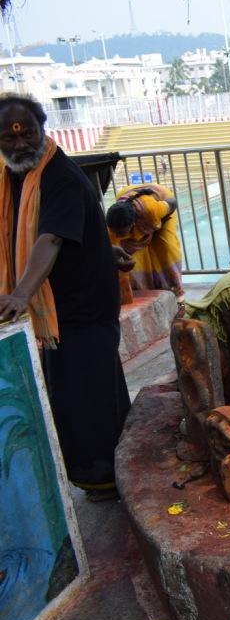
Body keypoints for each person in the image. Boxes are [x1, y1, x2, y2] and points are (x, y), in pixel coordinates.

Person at [0, 94, 131, 501]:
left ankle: (104, 478)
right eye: (8, 137)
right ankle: (115, 466)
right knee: (89, 388)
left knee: (86, 395)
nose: (20, 144)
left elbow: (51, 236)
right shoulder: (14, 177)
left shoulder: (59, 176)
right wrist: (105, 248)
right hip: (64, 306)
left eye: (28, 134)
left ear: (43, 129)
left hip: (81, 306)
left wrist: (21, 292)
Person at [106, 183, 185, 303]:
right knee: (131, 252)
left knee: (166, 245)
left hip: (162, 202)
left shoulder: (152, 210)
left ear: (133, 224)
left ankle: (177, 292)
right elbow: (115, 252)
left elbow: (173, 202)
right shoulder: (113, 226)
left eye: (121, 233)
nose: (117, 236)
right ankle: (142, 290)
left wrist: (155, 227)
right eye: (115, 232)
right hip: (126, 196)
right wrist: (120, 263)